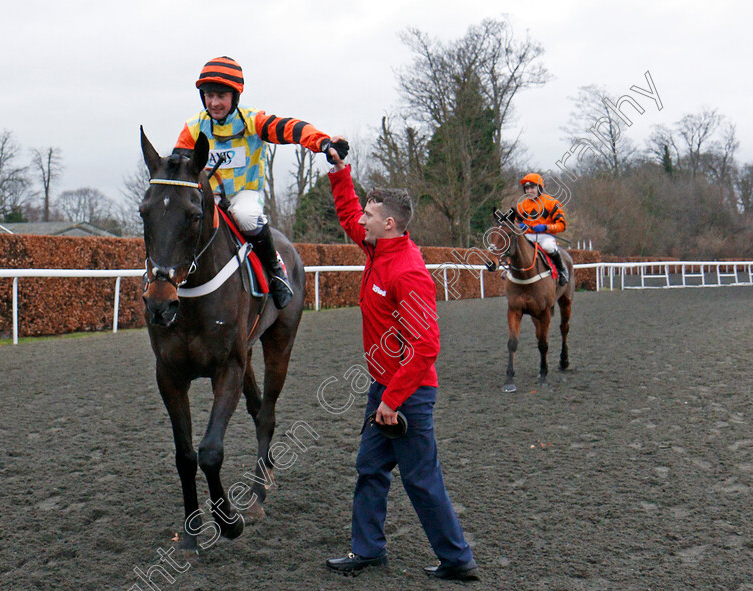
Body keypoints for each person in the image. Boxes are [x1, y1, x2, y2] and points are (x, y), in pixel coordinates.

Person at [322, 145, 479, 581]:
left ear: (388, 224)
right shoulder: (377, 249)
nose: (362, 222)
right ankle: (368, 550)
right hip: (384, 388)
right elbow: (348, 212)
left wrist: (391, 400)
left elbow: (426, 346)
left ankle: (458, 559)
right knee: (370, 468)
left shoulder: (407, 272)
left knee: (421, 480)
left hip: (407, 396)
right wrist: (340, 173)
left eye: (370, 217)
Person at [172, 56, 348, 309]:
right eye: (209, 95)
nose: (214, 102)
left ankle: (276, 270)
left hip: (244, 194)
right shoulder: (193, 128)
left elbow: (291, 128)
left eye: (221, 96)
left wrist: (323, 143)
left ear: (235, 96)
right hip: (209, 197)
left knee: (245, 215)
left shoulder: (253, 121)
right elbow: (179, 167)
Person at [515, 173, 569, 286]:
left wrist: (546, 227)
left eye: (532, 188)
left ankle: (562, 270)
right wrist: (519, 226)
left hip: (546, 236)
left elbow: (562, 225)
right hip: (528, 236)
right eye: (527, 188)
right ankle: (509, 271)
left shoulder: (552, 203)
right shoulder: (521, 206)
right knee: (515, 246)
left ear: (539, 187)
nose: (529, 191)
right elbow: (515, 222)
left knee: (548, 247)